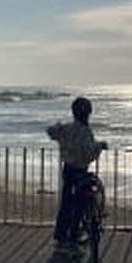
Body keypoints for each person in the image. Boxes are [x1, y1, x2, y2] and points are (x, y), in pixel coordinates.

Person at [46, 96, 107, 254]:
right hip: (81, 171)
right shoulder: (85, 131)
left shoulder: (67, 129)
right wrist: (100, 146)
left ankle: (61, 237)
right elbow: (89, 152)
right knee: (80, 204)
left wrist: (59, 126)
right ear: (88, 113)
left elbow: (51, 131)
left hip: (68, 170)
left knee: (67, 203)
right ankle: (73, 238)